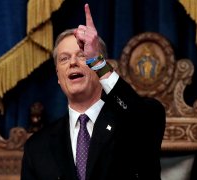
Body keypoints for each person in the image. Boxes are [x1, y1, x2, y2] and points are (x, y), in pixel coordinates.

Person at [21, 3, 166, 180]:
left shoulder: (135, 122)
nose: (72, 62)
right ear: (58, 76)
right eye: (64, 58)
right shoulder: (37, 147)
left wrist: (98, 62)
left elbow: (145, 118)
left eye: (82, 55)